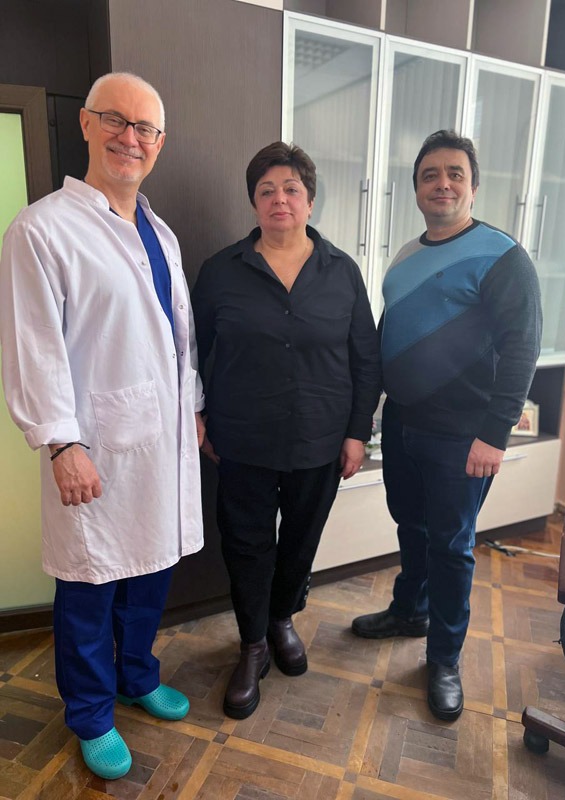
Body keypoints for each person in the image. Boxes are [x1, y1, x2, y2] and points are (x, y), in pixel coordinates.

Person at [0, 72, 205, 780]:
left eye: (145, 128)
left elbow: (179, 339)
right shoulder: (42, 229)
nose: (130, 137)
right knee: (90, 584)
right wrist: (61, 442)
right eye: (115, 120)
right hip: (91, 444)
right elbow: (33, 347)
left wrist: (194, 407)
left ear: (159, 143)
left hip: (160, 441)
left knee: (151, 570)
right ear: (86, 125)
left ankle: (137, 676)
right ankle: (90, 714)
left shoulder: (160, 232)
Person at [352, 130, 542, 721]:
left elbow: (523, 348)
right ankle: (409, 609)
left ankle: (444, 659)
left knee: (452, 546)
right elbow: (388, 339)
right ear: (416, 189)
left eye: (454, 174)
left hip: (463, 435)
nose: (442, 184)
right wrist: (368, 418)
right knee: (411, 526)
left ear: (473, 186)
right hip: (402, 424)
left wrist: (495, 434)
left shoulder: (502, 256)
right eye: (430, 174)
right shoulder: (406, 257)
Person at [192, 141, 381, 720]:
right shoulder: (221, 271)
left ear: (310, 200)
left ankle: (281, 619)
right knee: (247, 544)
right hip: (241, 439)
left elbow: (366, 359)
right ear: (253, 202)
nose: (280, 199)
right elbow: (189, 352)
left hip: (321, 440)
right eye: (267, 190)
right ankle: (252, 644)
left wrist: (357, 433)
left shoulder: (342, 272)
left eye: (291, 189)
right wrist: (196, 416)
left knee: (301, 539)